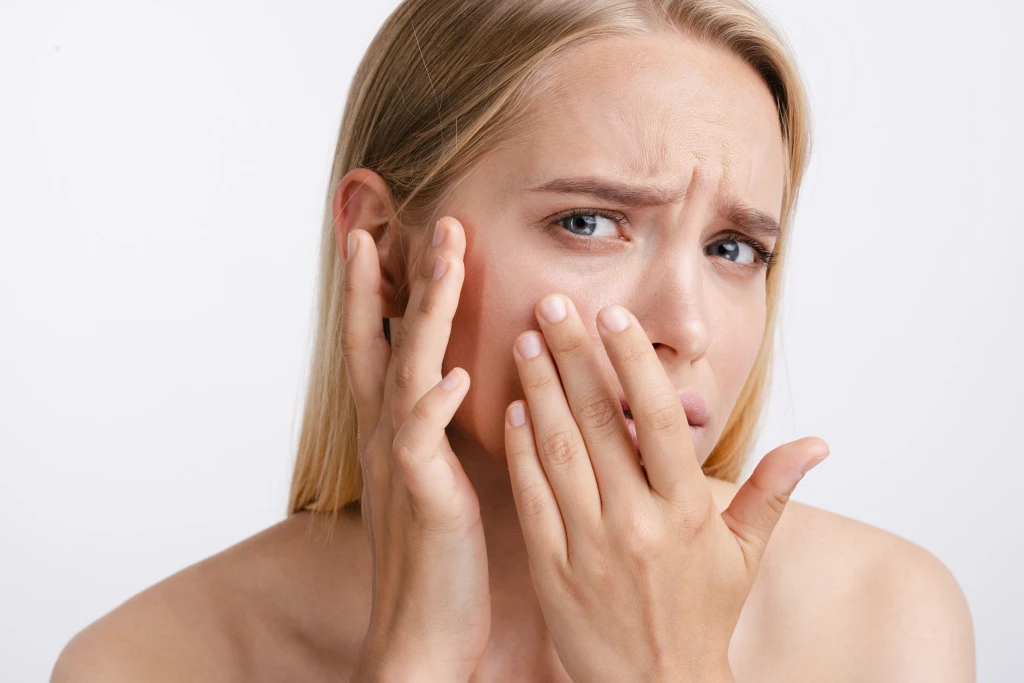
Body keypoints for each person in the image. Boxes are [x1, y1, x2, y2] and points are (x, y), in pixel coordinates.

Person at [51, 0, 976, 681]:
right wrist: (408, 663)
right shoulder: (145, 662)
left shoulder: (883, 622)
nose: (686, 328)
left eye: (734, 248)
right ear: (387, 249)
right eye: (588, 222)